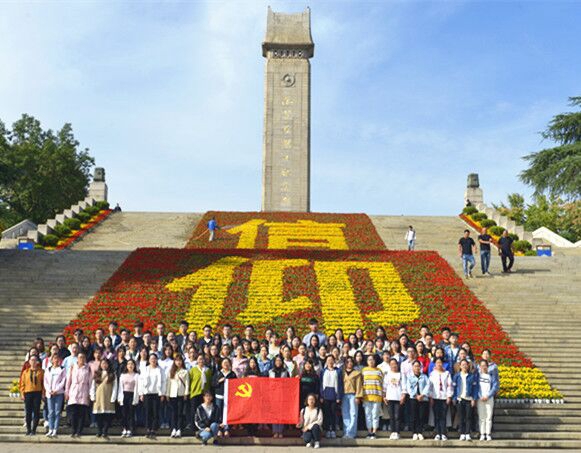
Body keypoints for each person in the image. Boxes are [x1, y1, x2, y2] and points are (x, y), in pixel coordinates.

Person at [139, 353, 167, 438]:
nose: (153, 360)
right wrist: (141, 393)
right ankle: (148, 429)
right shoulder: (145, 369)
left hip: (157, 394)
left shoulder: (160, 370)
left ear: (157, 360)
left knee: (155, 412)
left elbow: (164, 382)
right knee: (148, 412)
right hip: (147, 393)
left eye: (154, 358)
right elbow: (141, 381)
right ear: (149, 360)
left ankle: (154, 429)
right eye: (151, 359)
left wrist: (162, 394)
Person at [66, 352, 92, 438]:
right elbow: (68, 380)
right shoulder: (73, 367)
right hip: (74, 391)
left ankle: (79, 431)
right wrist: (67, 392)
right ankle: (73, 430)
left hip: (84, 391)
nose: (82, 359)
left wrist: (90, 393)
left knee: (81, 414)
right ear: (77, 358)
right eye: (80, 357)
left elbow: (90, 382)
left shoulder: (88, 368)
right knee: (73, 413)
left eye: (83, 357)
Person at [90, 358, 117, 439]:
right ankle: (99, 431)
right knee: (99, 415)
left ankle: (105, 431)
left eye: (105, 363)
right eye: (102, 363)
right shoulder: (97, 374)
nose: (104, 365)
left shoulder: (112, 374)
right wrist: (92, 395)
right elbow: (93, 386)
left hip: (108, 396)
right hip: (98, 396)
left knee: (107, 415)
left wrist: (113, 397)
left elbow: (115, 386)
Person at [452, 359, 478, 441]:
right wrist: (454, 398)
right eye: (462, 364)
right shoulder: (456, 376)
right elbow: (454, 388)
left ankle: (467, 433)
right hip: (460, 399)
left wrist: (474, 399)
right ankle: (462, 433)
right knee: (461, 417)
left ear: (468, 366)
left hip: (469, 399)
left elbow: (475, 388)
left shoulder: (472, 376)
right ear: (460, 366)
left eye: (466, 364)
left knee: (468, 417)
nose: (464, 366)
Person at [405, 360, 430, 441]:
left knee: (421, 416)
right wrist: (416, 395)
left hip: (423, 398)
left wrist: (422, 395)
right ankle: (414, 432)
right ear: (412, 367)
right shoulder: (409, 377)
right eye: (415, 366)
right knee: (414, 416)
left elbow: (428, 386)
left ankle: (420, 432)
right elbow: (409, 388)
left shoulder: (425, 377)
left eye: (418, 366)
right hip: (413, 399)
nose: (417, 368)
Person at [429, 357, 453, 441]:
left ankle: (443, 433)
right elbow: (430, 386)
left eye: (440, 362)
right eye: (437, 363)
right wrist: (431, 397)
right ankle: (437, 433)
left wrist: (449, 396)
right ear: (435, 364)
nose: (439, 364)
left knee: (443, 416)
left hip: (444, 397)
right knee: (436, 416)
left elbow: (449, 385)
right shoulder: (432, 374)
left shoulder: (447, 373)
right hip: (435, 397)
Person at [211, 358, 236, 437]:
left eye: (227, 362)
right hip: (219, 396)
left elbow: (236, 385)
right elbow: (213, 384)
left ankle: (226, 429)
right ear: (221, 364)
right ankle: (219, 429)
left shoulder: (232, 374)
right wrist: (219, 381)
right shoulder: (218, 373)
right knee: (219, 412)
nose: (225, 364)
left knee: (227, 413)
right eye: (224, 362)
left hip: (228, 397)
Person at [166, 354, 190, 438]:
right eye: (177, 360)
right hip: (172, 394)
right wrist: (167, 394)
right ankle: (173, 429)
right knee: (173, 412)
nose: (178, 362)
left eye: (180, 360)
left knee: (180, 413)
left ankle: (179, 429)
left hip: (181, 394)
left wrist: (186, 393)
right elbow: (168, 383)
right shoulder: (171, 371)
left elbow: (187, 383)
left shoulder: (185, 371)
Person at [20, 355, 44, 436]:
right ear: (29, 362)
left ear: (37, 362)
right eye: (32, 360)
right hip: (28, 393)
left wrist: (43, 393)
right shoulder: (25, 372)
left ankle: (34, 430)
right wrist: (22, 394)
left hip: (37, 393)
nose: (33, 362)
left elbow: (43, 383)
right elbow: (22, 384)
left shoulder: (41, 371)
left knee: (36, 411)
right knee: (28, 412)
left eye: (35, 360)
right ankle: (28, 429)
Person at [320, 355, 343, 439]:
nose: (330, 361)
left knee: (333, 413)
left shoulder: (338, 371)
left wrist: (339, 396)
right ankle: (327, 430)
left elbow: (340, 384)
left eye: (331, 360)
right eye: (328, 360)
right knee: (326, 413)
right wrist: (321, 395)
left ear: (334, 361)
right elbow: (321, 384)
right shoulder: (323, 371)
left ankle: (333, 430)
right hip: (325, 394)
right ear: (326, 361)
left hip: (334, 394)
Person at [476, 359, 499, 441]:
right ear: (479, 367)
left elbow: (495, 387)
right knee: (481, 417)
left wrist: (488, 396)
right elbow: (476, 387)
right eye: (482, 366)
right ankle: (482, 433)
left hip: (489, 398)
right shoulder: (477, 376)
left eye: (485, 365)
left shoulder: (491, 376)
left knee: (489, 416)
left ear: (487, 366)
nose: (483, 367)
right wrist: (480, 396)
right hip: (480, 398)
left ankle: (488, 433)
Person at [44, 354, 66, 437]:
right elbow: (45, 381)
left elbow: (63, 381)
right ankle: (50, 429)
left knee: (57, 412)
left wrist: (56, 390)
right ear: (52, 360)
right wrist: (49, 390)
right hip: (50, 394)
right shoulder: (48, 369)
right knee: (51, 412)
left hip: (58, 393)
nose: (56, 360)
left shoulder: (62, 369)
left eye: (57, 358)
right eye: (54, 358)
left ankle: (55, 429)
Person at [361, 355, 383, 439]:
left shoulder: (379, 371)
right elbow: (361, 383)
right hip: (366, 396)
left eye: (372, 359)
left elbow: (382, 383)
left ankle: (374, 432)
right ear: (367, 361)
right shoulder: (364, 370)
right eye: (369, 359)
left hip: (377, 396)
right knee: (368, 415)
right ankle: (369, 432)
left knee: (375, 414)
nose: (371, 361)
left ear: (375, 361)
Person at [383, 358, 404, 440]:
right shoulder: (387, 375)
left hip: (398, 397)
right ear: (389, 365)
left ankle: (397, 432)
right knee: (391, 416)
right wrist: (384, 397)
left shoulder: (400, 374)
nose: (393, 366)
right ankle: (392, 432)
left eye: (395, 364)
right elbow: (384, 387)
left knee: (397, 416)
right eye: (391, 364)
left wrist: (403, 396)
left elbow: (404, 386)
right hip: (389, 397)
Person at [342, 357, 363, 439]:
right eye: (347, 362)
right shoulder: (342, 372)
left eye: (351, 361)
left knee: (353, 414)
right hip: (344, 395)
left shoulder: (356, 373)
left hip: (353, 395)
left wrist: (358, 396)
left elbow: (359, 385)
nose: (349, 363)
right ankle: (346, 432)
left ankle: (351, 433)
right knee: (345, 414)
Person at [269, 355, 289, 438]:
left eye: (280, 360)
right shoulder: (270, 371)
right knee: (274, 413)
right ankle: (275, 431)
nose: (278, 362)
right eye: (277, 360)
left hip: (282, 394)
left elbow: (289, 383)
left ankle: (280, 431)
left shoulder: (285, 371)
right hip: (273, 394)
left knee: (281, 413)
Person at [118, 359, 139, 438]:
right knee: (124, 413)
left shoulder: (136, 375)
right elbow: (120, 387)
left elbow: (137, 387)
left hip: (132, 395)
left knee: (131, 413)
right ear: (126, 366)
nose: (130, 365)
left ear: (134, 366)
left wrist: (136, 397)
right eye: (129, 364)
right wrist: (119, 397)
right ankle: (124, 428)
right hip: (124, 394)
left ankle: (130, 429)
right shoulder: (123, 375)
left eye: (132, 364)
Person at [189, 354, 212, 419]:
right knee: (194, 410)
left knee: (203, 411)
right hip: (195, 392)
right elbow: (190, 381)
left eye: (202, 359)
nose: (201, 361)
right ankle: (193, 424)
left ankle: (202, 424)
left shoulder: (208, 370)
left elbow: (209, 381)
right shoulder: (193, 369)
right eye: (199, 359)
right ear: (197, 360)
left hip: (204, 393)